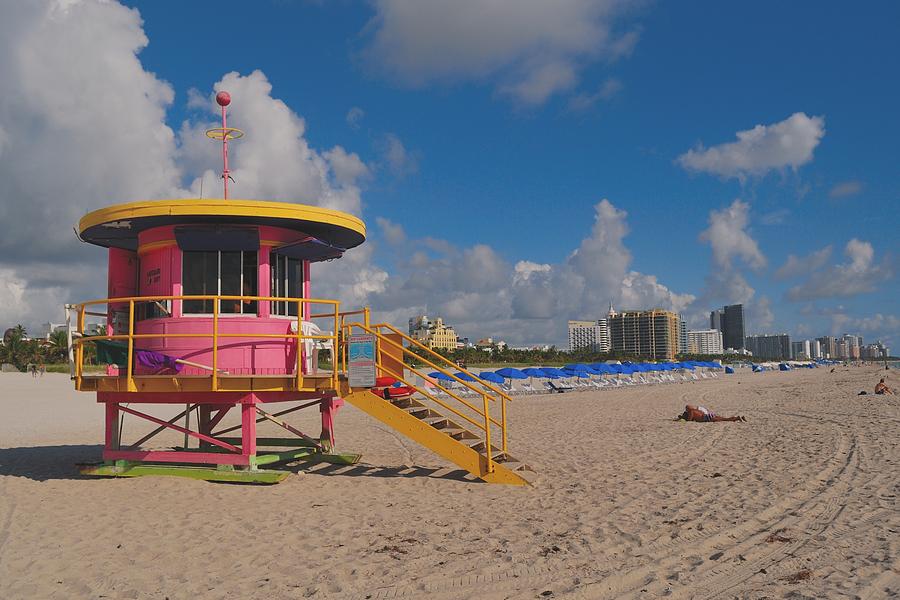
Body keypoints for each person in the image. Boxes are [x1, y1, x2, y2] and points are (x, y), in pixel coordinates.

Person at [677, 404, 745, 422]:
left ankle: (736, 418)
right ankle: (736, 418)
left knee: (724, 419)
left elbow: (689, 420)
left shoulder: (691, 411)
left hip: (707, 418)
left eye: (686, 409)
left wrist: (682, 418)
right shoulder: (696, 410)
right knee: (723, 418)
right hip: (708, 415)